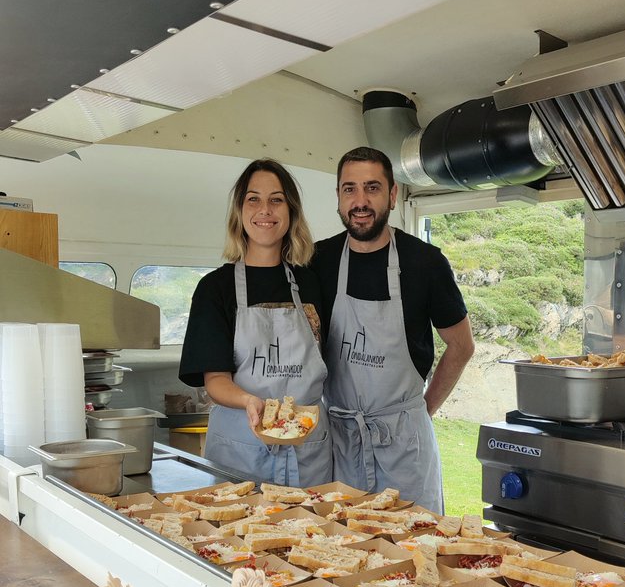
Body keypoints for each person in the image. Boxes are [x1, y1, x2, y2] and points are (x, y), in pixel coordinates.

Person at [311, 146, 474, 512]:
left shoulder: (425, 263)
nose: (360, 201)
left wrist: (420, 411)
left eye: (372, 187)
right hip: (342, 442)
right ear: (338, 196)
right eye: (349, 189)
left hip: (405, 446)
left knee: (415, 547)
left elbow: (462, 346)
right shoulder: (319, 261)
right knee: (343, 548)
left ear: (393, 194)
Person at [179, 159, 331, 487]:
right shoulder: (214, 289)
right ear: (240, 211)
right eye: (254, 199)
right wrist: (250, 401)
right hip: (241, 454)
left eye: (276, 199)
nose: (265, 209)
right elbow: (216, 379)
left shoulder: (313, 284)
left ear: (291, 211)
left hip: (307, 455)